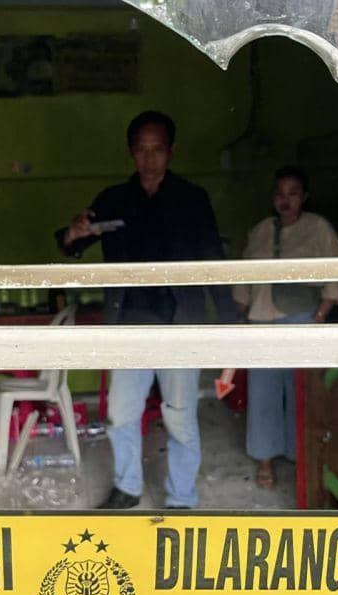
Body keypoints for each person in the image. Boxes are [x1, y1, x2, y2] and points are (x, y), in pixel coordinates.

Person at [55, 110, 238, 509]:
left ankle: (181, 497)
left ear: (170, 151)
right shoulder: (114, 200)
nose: (150, 158)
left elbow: (213, 262)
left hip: (180, 326)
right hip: (128, 326)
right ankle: (128, 488)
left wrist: (231, 329)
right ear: (131, 153)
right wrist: (73, 233)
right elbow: (72, 243)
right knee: (121, 414)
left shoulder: (192, 199)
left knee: (180, 416)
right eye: (142, 150)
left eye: (157, 150)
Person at [232, 166, 338, 488]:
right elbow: (243, 274)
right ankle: (265, 459)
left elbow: (336, 274)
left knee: (300, 393)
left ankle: (302, 458)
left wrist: (319, 316)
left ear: (304, 197)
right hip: (261, 318)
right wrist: (243, 309)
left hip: (302, 318)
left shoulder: (318, 228)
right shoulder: (261, 230)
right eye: (280, 193)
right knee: (263, 393)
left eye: (293, 193)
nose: (286, 200)